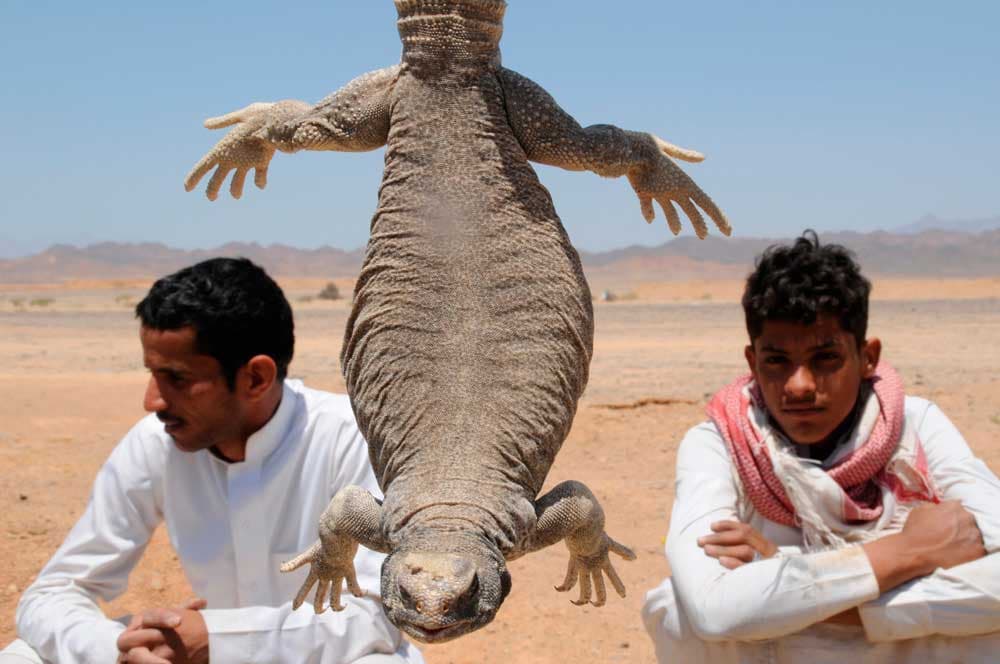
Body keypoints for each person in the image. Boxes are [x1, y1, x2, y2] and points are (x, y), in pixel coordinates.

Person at [1, 258, 424, 664]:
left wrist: (218, 642)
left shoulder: (348, 438)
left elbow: (378, 616)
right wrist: (117, 649)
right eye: (152, 374)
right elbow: (50, 595)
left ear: (255, 378)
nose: (152, 401)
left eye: (177, 380)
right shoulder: (155, 444)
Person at [642, 232, 1000, 663]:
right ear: (752, 361)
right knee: (678, 612)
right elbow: (712, 610)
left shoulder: (914, 423)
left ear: (867, 356)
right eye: (777, 361)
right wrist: (910, 551)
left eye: (825, 359)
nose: (799, 386)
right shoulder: (719, 442)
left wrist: (784, 578)